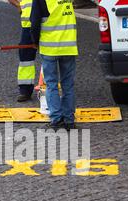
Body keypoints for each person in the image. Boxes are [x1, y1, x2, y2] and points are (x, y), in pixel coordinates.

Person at [30, 0, 78, 130]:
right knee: (68, 84)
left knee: (51, 84)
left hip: (49, 48)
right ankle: (69, 120)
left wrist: (35, 41)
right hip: (68, 47)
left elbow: (34, 23)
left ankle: (56, 120)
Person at [8, 0, 38, 102]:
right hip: (28, 24)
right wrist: (19, 5)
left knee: (50, 55)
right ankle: (25, 90)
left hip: (48, 23)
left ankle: (52, 89)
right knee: (26, 59)